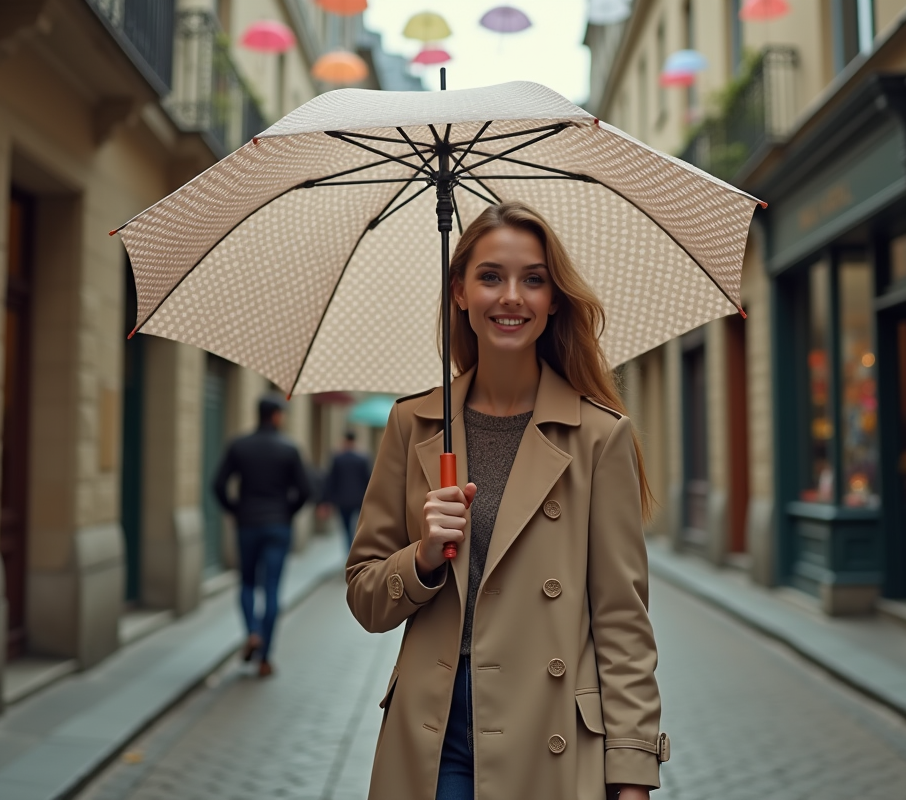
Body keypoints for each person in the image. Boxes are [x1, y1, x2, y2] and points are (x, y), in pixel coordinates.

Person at [346, 202, 668, 800]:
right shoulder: (412, 425)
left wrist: (631, 776)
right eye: (491, 276)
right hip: (435, 730)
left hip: (547, 734)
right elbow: (364, 595)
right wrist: (420, 558)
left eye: (534, 279)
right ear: (460, 292)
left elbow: (623, 622)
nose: (512, 296)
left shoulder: (599, 436)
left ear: (552, 301)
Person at [213, 393, 311, 678]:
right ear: (277, 416)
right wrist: (287, 512)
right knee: (271, 589)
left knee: (246, 582)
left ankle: (252, 632)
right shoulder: (289, 448)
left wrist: (234, 509)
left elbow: (218, 484)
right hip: (278, 525)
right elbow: (305, 490)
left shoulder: (239, 445)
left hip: (247, 524)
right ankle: (265, 657)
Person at [319, 430, 373, 552]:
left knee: (346, 529)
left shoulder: (338, 458)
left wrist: (325, 501)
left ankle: (349, 551)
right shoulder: (362, 459)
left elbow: (330, 481)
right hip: (359, 500)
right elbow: (368, 480)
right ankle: (357, 550)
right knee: (359, 528)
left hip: (342, 500)